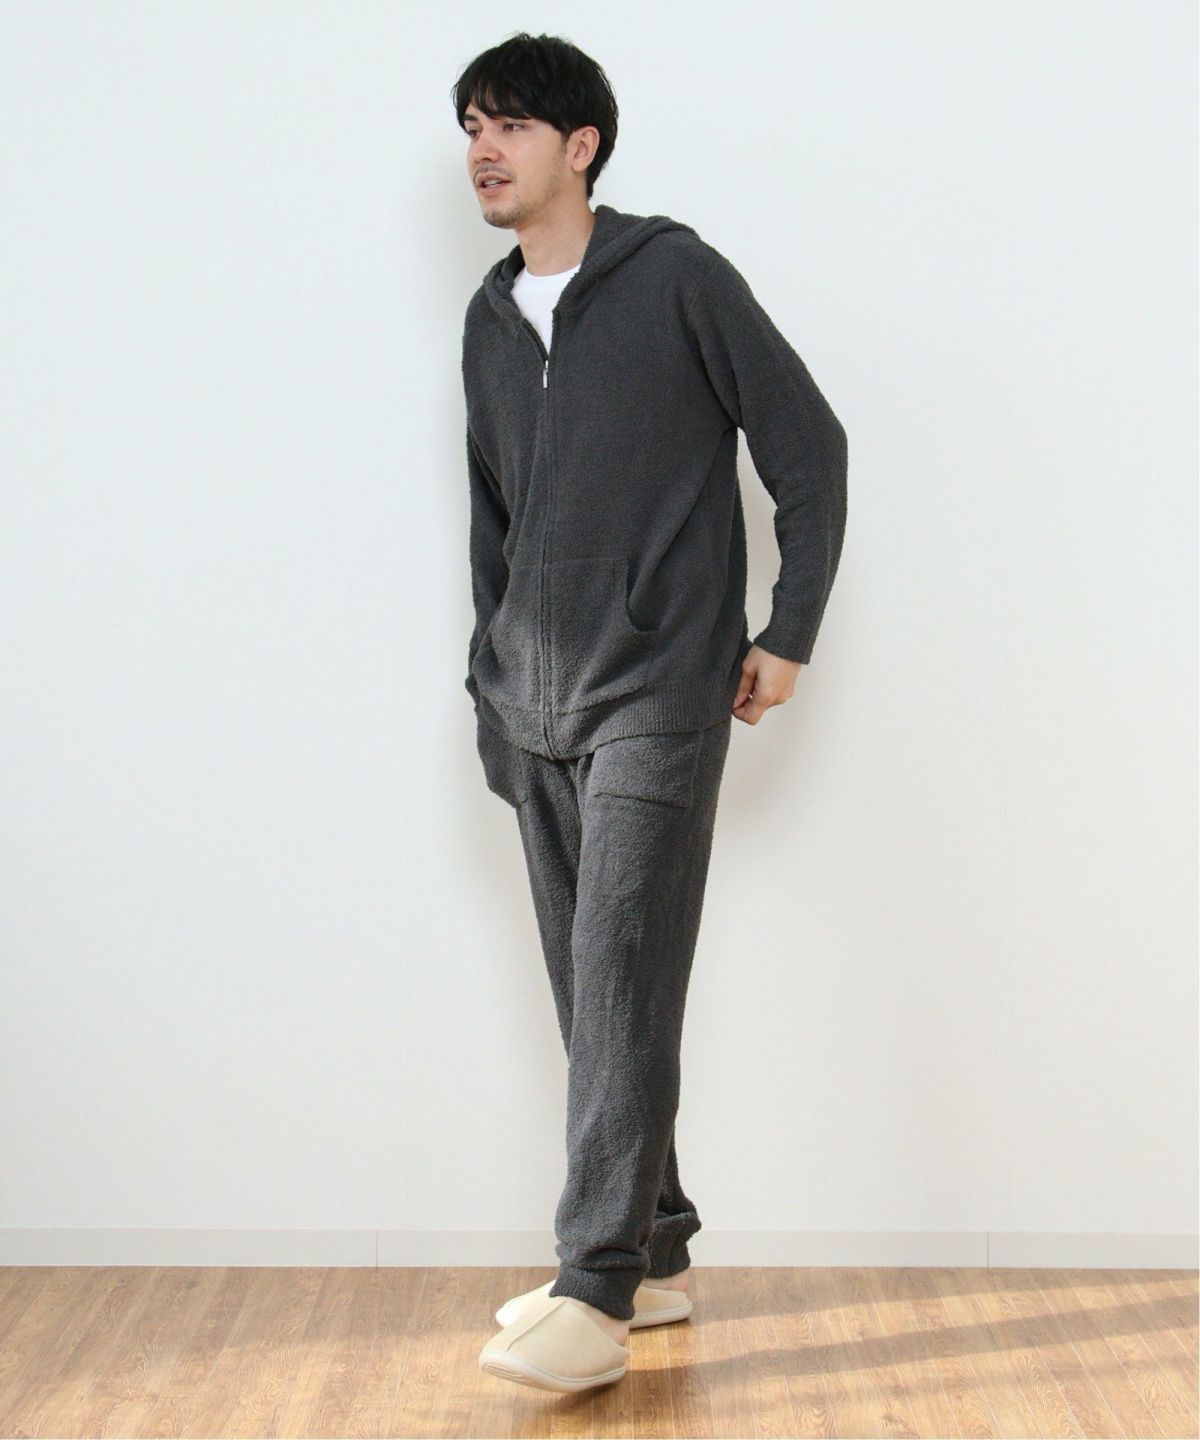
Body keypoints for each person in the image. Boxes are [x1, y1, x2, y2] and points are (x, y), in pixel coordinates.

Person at [452, 31, 848, 1394]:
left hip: (658, 694)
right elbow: (493, 521)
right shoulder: (489, 320)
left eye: (510, 125)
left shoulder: (676, 276)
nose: (484, 151)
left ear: (582, 146)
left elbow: (810, 446)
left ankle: (594, 1287)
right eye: (471, 128)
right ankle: (656, 1254)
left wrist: (788, 631)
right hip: (532, 705)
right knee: (592, 988)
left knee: (622, 973)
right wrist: (489, 683)